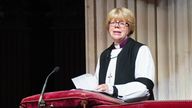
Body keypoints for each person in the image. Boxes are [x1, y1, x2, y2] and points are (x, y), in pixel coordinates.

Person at [94, 7, 155, 102]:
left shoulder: (141, 50)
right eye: (113, 22)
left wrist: (112, 89)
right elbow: (98, 86)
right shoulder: (104, 55)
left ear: (129, 28)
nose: (116, 26)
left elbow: (144, 87)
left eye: (122, 23)